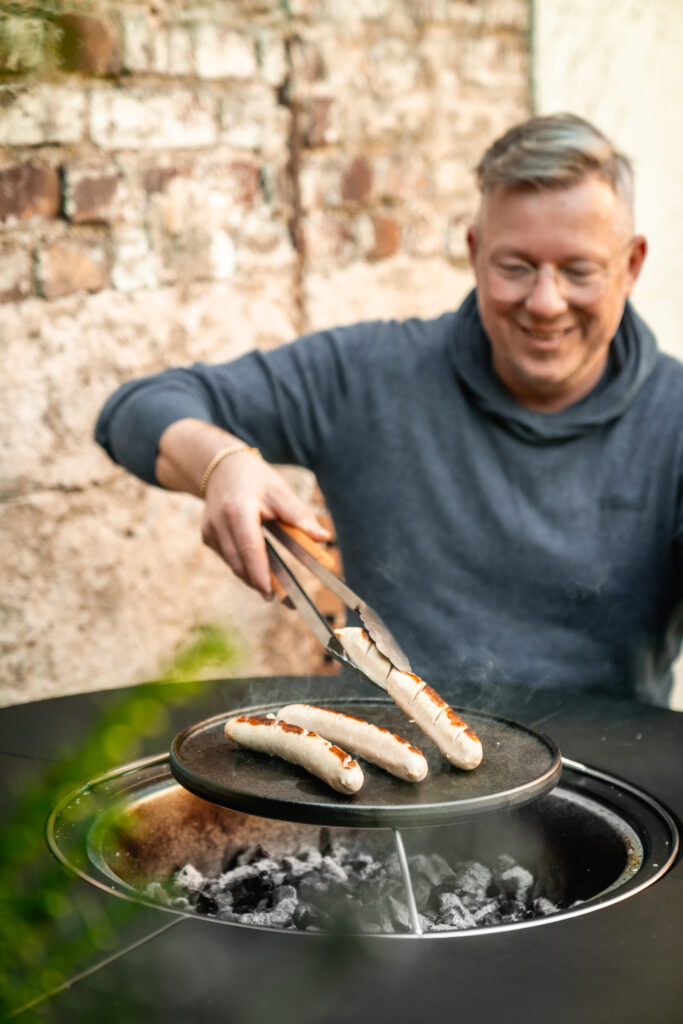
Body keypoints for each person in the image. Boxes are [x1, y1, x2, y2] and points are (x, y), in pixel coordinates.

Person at [96, 113, 683, 707]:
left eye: (578, 271)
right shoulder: (367, 373)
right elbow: (136, 409)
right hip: (388, 771)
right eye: (516, 267)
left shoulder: (675, 418)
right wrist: (219, 463)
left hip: (612, 782)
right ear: (476, 252)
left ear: (631, 266)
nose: (545, 302)